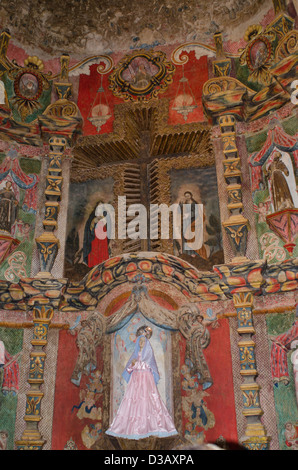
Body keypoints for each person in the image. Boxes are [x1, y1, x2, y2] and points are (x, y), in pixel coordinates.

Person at [106, 333, 178, 440]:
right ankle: (132, 429)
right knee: (134, 401)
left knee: (148, 400)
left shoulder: (149, 354)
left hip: (146, 380)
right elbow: (129, 369)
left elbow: (152, 367)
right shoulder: (135, 355)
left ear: (146, 343)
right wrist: (133, 364)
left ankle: (151, 427)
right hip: (136, 380)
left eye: (143, 341)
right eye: (139, 341)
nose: (141, 343)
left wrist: (141, 364)